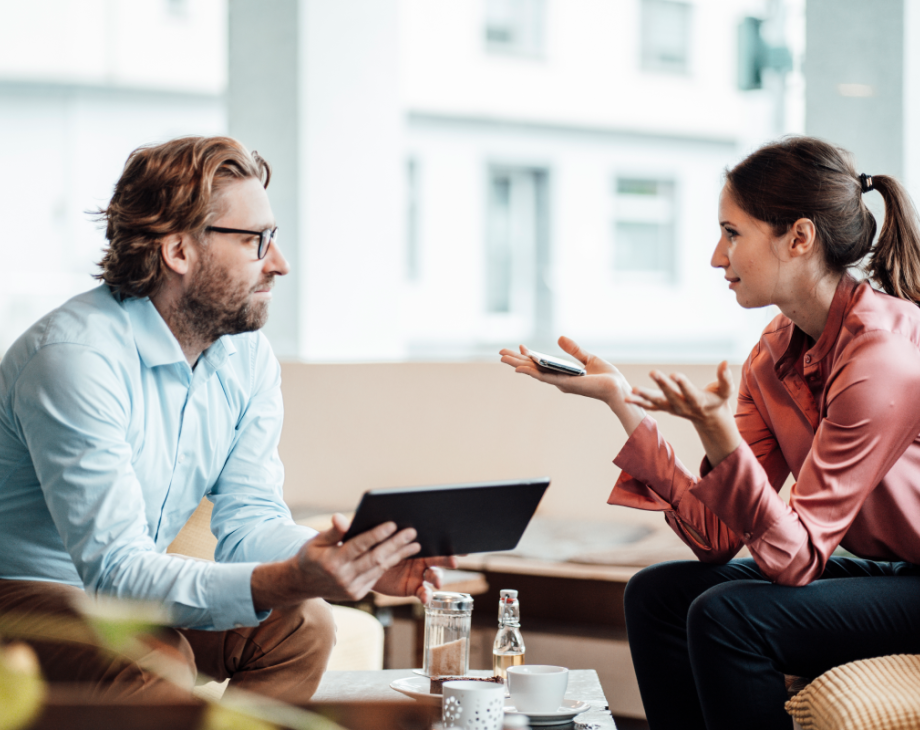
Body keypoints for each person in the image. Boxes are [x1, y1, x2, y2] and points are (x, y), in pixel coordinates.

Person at [0, 136, 455, 703]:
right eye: (255, 240)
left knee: (304, 626)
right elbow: (114, 574)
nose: (280, 264)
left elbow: (248, 523)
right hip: (28, 594)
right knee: (151, 656)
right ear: (179, 252)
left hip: (123, 588)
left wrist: (350, 560)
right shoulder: (74, 359)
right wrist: (283, 579)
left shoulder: (244, 356)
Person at [500, 136, 920, 730]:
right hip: (901, 573)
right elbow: (716, 535)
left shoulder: (882, 359)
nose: (716, 259)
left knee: (729, 616)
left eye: (731, 233)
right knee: (656, 595)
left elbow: (794, 561)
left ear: (799, 238)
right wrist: (623, 404)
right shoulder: (772, 356)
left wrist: (718, 431)